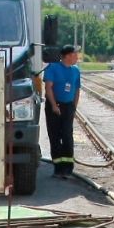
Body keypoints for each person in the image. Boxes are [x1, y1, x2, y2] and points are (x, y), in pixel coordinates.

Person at [42, 43, 82, 178]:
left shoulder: (75, 70)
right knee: (54, 136)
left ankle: (68, 168)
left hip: (68, 106)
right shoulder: (53, 68)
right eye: (75, 54)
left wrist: (74, 106)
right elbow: (48, 88)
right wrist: (54, 105)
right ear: (67, 56)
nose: (77, 57)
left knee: (67, 135)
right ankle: (58, 168)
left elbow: (77, 90)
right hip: (54, 106)